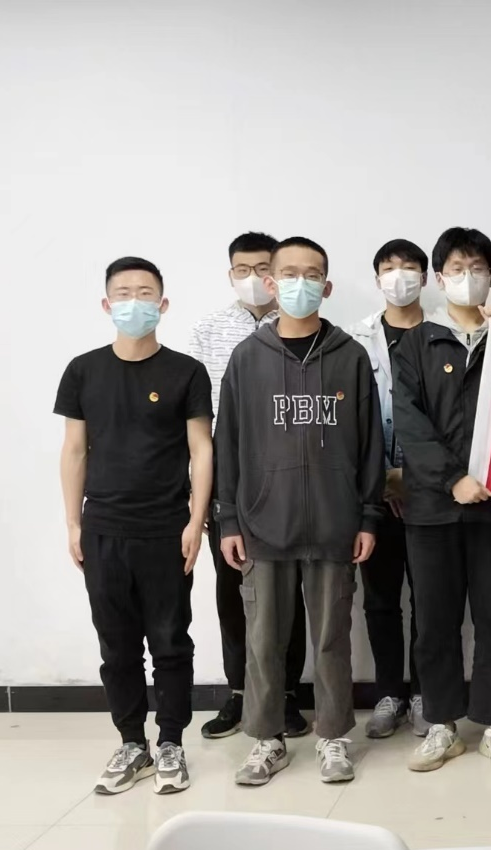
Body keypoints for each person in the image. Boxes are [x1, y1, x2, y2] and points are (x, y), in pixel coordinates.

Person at [215, 236, 385, 786]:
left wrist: (368, 516)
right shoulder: (247, 358)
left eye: (312, 274)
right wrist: (229, 519)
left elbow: (370, 446)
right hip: (263, 525)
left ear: (327, 287)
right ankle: (267, 740)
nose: (300, 283)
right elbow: (227, 444)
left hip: (335, 524)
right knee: (264, 640)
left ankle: (333, 736)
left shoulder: (350, 357)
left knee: (332, 639)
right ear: (271, 282)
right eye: (289, 273)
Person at [55, 256, 212, 795]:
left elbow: (201, 449)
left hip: (166, 528)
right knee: (117, 645)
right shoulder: (83, 371)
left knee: (169, 641)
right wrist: (72, 524)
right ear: (106, 304)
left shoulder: (186, 372)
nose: (134, 302)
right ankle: (131, 743)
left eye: (145, 293)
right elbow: (74, 450)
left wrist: (196, 520)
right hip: (103, 528)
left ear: (163, 304)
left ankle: (170, 742)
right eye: (123, 293)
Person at [392, 227, 491, 772]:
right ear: (439, 277)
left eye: (477, 268)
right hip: (432, 508)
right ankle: (442, 725)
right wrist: (452, 478)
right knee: (434, 620)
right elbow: (409, 422)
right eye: (456, 268)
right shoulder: (415, 343)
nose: (467, 277)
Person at [189, 232, 308, 741]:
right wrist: (203, 494)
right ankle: (239, 693)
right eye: (243, 270)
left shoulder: (303, 330)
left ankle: (286, 694)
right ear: (230, 274)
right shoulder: (207, 332)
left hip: (290, 481)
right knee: (232, 591)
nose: (255, 279)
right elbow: (198, 422)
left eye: (264, 269)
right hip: (229, 481)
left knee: (290, 593)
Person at [351, 238, 428, 740]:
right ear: (377, 277)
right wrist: (381, 480)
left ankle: (423, 693)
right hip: (373, 492)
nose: (399, 276)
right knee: (380, 599)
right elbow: (350, 420)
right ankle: (388, 693)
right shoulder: (354, 338)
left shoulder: (442, 333)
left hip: (427, 491)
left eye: (409, 267)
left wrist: (411, 476)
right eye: (389, 267)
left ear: (426, 275)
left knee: (428, 598)